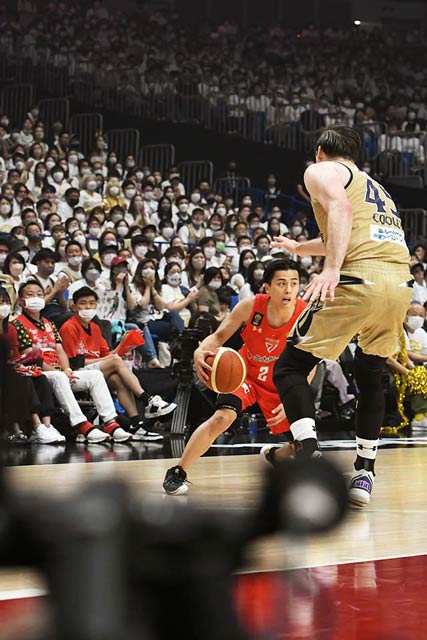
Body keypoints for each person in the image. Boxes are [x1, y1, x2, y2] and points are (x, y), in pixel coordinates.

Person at [271, 125, 412, 508]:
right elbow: (350, 231)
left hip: (357, 279)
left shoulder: (319, 171)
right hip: (400, 282)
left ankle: (310, 457)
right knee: (370, 373)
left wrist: (330, 268)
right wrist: (301, 246)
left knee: (289, 368)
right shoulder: (376, 187)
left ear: (320, 151)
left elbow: (341, 210)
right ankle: (364, 472)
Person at [162, 259, 307, 495]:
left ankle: (277, 456)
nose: (289, 289)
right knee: (222, 418)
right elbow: (218, 337)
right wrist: (201, 350)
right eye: (281, 283)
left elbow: (308, 362)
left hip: (280, 382)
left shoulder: (304, 314)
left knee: (302, 440)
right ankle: (178, 471)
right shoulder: (250, 307)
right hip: (244, 376)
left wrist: (299, 393)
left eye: (294, 283)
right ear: (267, 288)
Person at [13, 280, 130, 443]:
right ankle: (81, 425)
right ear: (20, 300)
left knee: (95, 375)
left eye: (40, 294)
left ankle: (110, 422)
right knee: (60, 377)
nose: (36, 298)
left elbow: (60, 350)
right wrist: (61, 373)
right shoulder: (17, 324)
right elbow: (33, 357)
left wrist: (67, 370)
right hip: (39, 374)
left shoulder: (49, 324)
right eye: (30, 295)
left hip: (59, 372)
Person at [60, 287, 177, 440]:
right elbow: (72, 362)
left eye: (91, 303)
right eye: (83, 304)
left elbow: (108, 355)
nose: (88, 307)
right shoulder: (69, 327)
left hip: (96, 370)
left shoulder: (95, 328)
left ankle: (136, 425)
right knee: (115, 362)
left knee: (116, 378)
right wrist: (109, 359)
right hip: (75, 372)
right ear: (74, 307)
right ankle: (148, 400)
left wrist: (123, 344)